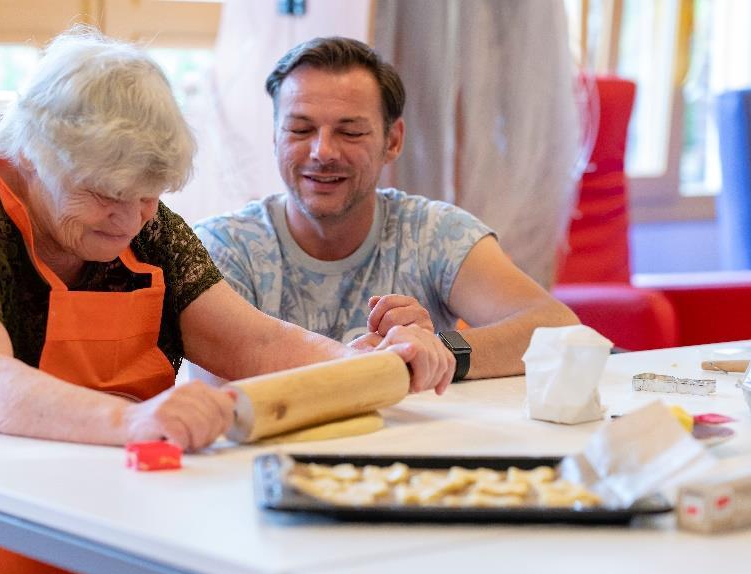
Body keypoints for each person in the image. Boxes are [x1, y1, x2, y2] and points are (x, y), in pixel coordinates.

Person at [0, 28, 453, 574]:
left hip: (89, 477)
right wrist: (135, 422)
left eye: (148, 197)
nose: (129, 219)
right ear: (25, 159)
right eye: (104, 196)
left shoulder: (141, 220)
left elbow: (253, 342)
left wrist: (372, 364)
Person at [196, 37, 579, 382]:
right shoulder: (224, 247)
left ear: (392, 141)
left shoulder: (433, 232)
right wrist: (377, 364)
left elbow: (557, 329)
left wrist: (438, 351)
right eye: (300, 130)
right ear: (275, 137)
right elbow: (223, 381)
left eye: (350, 132)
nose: (323, 152)